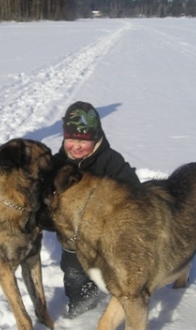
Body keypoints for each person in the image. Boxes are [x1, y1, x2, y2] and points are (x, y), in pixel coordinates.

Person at [55, 101, 140, 318]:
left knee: (113, 272)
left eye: (84, 140)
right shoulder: (58, 163)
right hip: (72, 239)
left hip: (106, 237)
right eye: (71, 139)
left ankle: (119, 301)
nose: (77, 146)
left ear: (96, 138)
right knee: (74, 272)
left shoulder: (110, 161)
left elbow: (134, 190)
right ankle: (83, 307)